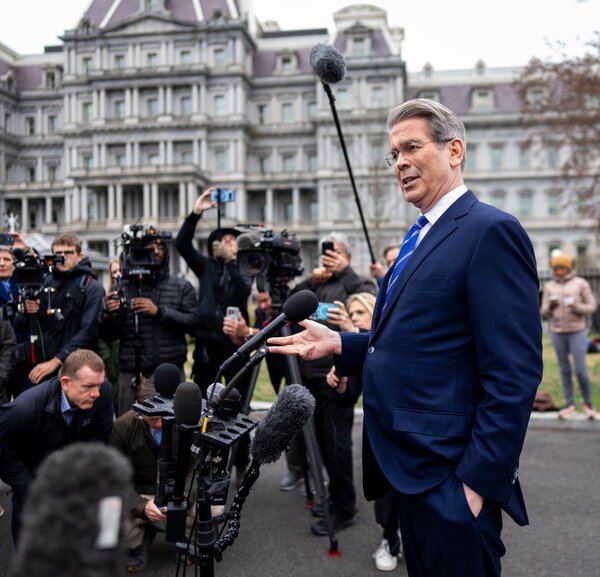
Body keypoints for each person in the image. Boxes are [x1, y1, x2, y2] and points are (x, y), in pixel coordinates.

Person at [268, 98, 543, 577]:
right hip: (406, 477)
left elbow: (514, 373)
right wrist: (340, 344)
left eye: (411, 147)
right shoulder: (418, 238)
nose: (399, 163)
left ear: (454, 150)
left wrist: (474, 486)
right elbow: (413, 340)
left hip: (450, 482)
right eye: (393, 154)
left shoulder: (490, 231)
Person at [291, 232, 376, 536]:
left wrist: (344, 270)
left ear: (347, 254)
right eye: (326, 251)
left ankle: (344, 507)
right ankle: (334, 495)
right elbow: (293, 306)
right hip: (312, 375)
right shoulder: (320, 283)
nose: (328, 254)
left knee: (338, 444)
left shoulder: (354, 281)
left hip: (340, 375)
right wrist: (312, 282)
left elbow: (368, 297)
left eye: (335, 250)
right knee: (323, 443)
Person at [0, 349, 114, 543]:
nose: (96, 393)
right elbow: (5, 457)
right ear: (66, 383)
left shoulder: (102, 393)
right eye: (88, 386)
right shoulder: (23, 410)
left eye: (99, 385)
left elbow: (98, 437)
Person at [326, 292, 402, 572]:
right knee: (384, 492)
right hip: (377, 430)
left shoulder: (394, 340)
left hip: (407, 428)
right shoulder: (356, 351)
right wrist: (342, 383)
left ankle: (405, 532)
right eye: (352, 313)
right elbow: (350, 397)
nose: (354, 317)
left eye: (360, 313)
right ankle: (389, 538)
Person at [99, 236, 198, 415]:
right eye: (148, 249)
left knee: (171, 426)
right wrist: (107, 316)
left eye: (158, 248)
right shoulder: (123, 288)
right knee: (128, 429)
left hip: (169, 371)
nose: (154, 252)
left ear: (166, 253)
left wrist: (159, 312)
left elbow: (193, 323)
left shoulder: (181, 286)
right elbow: (109, 336)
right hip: (131, 372)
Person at [175, 186, 253, 393]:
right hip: (207, 345)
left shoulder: (244, 267)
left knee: (238, 396)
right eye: (222, 239)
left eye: (231, 239)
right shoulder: (206, 266)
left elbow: (244, 290)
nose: (227, 241)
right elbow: (182, 244)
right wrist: (196, 212)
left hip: (235, 345)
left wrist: (229, 261)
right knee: (204, 399)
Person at [13, 234, 105, 389]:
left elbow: (88, 332)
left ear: (80, 256)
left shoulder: (92, 287)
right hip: (43, 370)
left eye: (68, 253)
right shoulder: (44, 282)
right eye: (58, 254)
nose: (62, 257)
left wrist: (56, 361)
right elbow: (21, 326)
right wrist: (27, 311)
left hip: (78, 370)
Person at [541, 253, 597, 419]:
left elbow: (592, 306)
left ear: (568, 268)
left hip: (577, 331)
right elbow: (543, 313)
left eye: (562, 267)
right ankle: (570, 404)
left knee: (580, 371)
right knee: (564, 370)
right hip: (557, 332)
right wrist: (551, 306)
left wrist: (577, 306)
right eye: (556, 268)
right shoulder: (550, 286)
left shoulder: (581, 283)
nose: (558, 271)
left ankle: (588, 404)